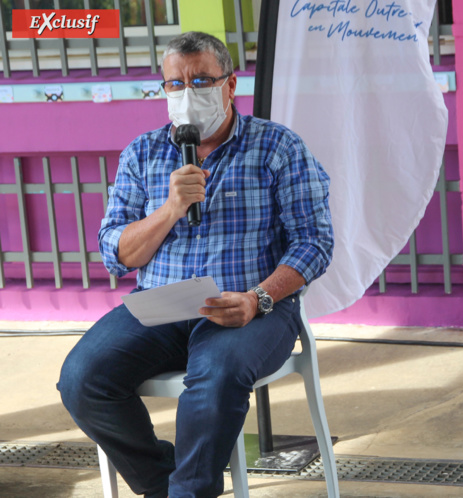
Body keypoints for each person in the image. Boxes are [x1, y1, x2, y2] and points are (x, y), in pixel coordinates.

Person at [57, 32, 334, 498]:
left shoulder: (278, 148)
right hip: (162, 303)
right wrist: (169, 209)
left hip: (248, 302)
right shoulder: (143, 153)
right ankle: (166, 486)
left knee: (216, 375)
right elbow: (117, 253)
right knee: (82, 379)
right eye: (175, 84)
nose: (188, 94)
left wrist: (259, 297)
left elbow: (315, 242)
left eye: (201, 80)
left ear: (230, 86)